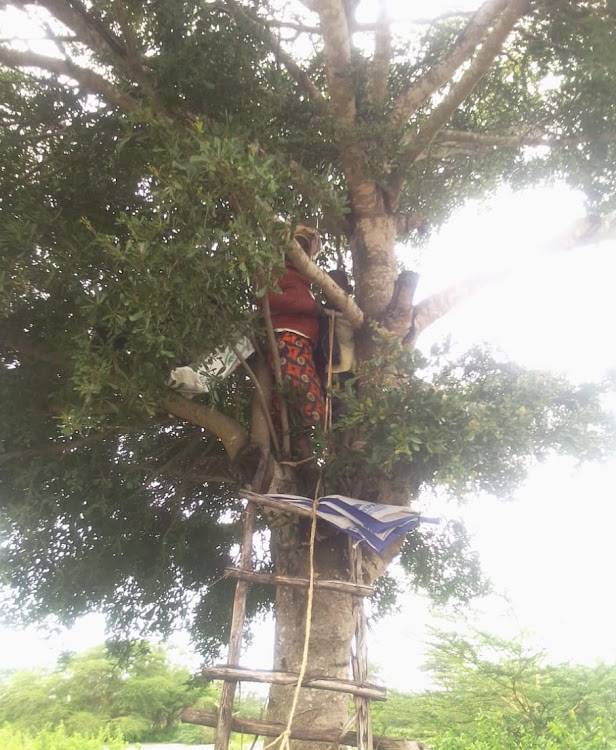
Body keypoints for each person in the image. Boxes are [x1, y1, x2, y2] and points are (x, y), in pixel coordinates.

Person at [257, 224, 328, 435]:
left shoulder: (304, 280)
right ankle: (302, 450)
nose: (302, 252)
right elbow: (266, 296)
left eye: (306, 248)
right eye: (298, 245)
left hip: (302, 342)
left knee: (295, 396)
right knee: (303, 395)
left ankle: (298, 451)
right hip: (288, 337)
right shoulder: (277, 271)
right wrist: (311, 307)